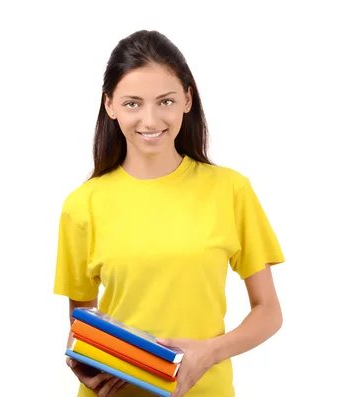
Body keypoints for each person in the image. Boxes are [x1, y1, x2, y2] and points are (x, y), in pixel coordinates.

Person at [53, 30, 285, 397]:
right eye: (132, 103)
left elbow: (269, 312)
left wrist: (207, 353)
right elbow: (81, 325)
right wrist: (81, 362)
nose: (150, 119)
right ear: (110, 105)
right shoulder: (82, 205)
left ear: (187, 100)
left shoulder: (230, 191)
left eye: (165, 101)